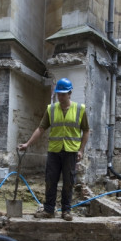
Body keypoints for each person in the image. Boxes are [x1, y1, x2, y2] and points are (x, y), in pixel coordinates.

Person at [18, 78, 89, 221]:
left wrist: (81, 150)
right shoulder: (51, 109)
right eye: (59, 94)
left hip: (71, 151)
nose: (60, 97)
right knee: (50, 180)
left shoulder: (80, 109)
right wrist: (28, 144)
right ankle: (49, 210)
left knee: (68, 181)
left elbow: (86, 131)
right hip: (54, 151)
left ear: (70, 93)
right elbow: (41, 128)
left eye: (63, 94)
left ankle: (66, 211)